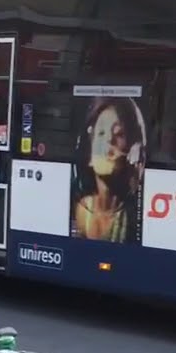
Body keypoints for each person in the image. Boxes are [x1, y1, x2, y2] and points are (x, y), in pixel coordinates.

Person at [73, 96, 146, 243]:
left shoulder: (134, 215)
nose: (109, 140)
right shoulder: (80, 209)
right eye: (101, 133)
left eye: (119, 133)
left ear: (131, 151)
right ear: (89, 156)